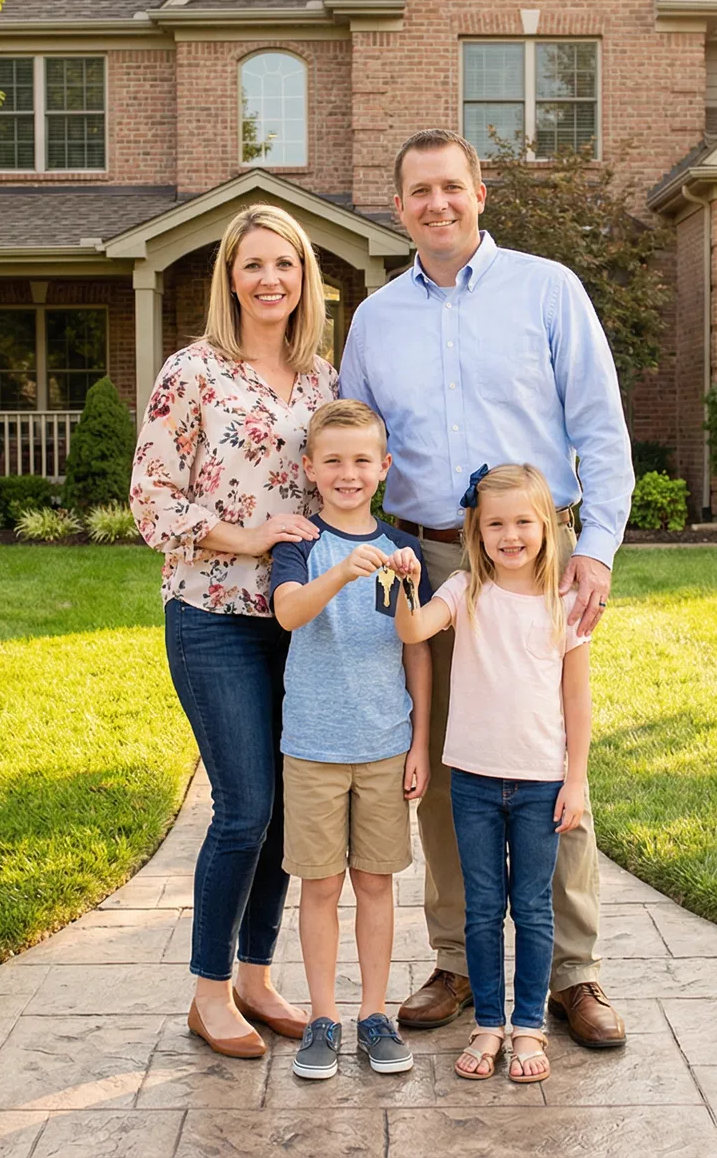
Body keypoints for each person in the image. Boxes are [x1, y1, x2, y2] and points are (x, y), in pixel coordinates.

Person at [339, 128, 634, 1048]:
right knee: (443, 762)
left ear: (480, 193)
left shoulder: (548, 290)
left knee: (547, 753)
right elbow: (355, 448)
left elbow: (600, 427)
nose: (438, 204)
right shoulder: (374, 319)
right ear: (399, 208)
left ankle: (573, 975)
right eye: (419, 192)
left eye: (452, 188)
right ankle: (459, 962)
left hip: (538, 559)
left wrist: (599, 550)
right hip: (427, 559)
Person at [131, 203, 336, 1058]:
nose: (269, 280)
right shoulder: (194, 371)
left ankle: (258, 977)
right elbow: (151, 498)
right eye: (252, 265)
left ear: (304, 278)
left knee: (288, 812)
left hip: (300, 621)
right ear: (229, 277)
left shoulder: (322, 378)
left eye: (284, 265)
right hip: (213, 617)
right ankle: (209, 992)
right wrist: (248, 535)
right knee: (244, 806)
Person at [389, 463, 591, 1084]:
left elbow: (578, 700)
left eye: (523, 522)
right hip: (473, 781)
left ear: (547, 528)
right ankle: (487, 1023)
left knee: (531, 909)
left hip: (540, 784)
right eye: (495, 524)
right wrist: (405, 583)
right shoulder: (463, 590)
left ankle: (528, 1027)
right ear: (475, 532)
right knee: (481, 908)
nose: (511, 535)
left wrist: (576, 778)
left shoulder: (564, 603)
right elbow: (413, 628)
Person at [268, 398, 432, 1081]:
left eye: (362, 460)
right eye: (332, 460)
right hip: (311, 746)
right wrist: (338, 569)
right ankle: (322, 1019)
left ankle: (373, 1015)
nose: (347, 473)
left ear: (383, 467)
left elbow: (413, 646)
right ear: (309, 467)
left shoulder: (401, 551)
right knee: (318, 887)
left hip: (386, 743)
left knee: (374, 884)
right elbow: (288, 614)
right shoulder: (299, 544)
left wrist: (420, 742)